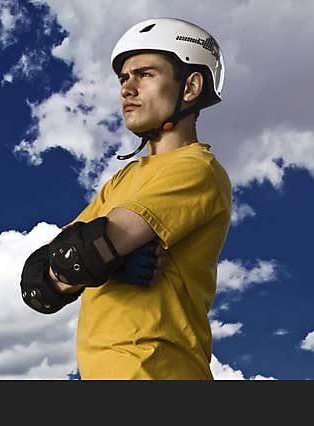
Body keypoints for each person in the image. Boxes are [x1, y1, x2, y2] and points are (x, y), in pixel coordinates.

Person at [20, 18, 232, 379]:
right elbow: (39, 281)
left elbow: (80, 257)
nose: (127, 89)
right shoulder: (122, 179)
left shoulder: (196, 169)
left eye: (145, 74)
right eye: (123, 78)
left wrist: (90, 263)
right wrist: (105, 262)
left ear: (192, 86)